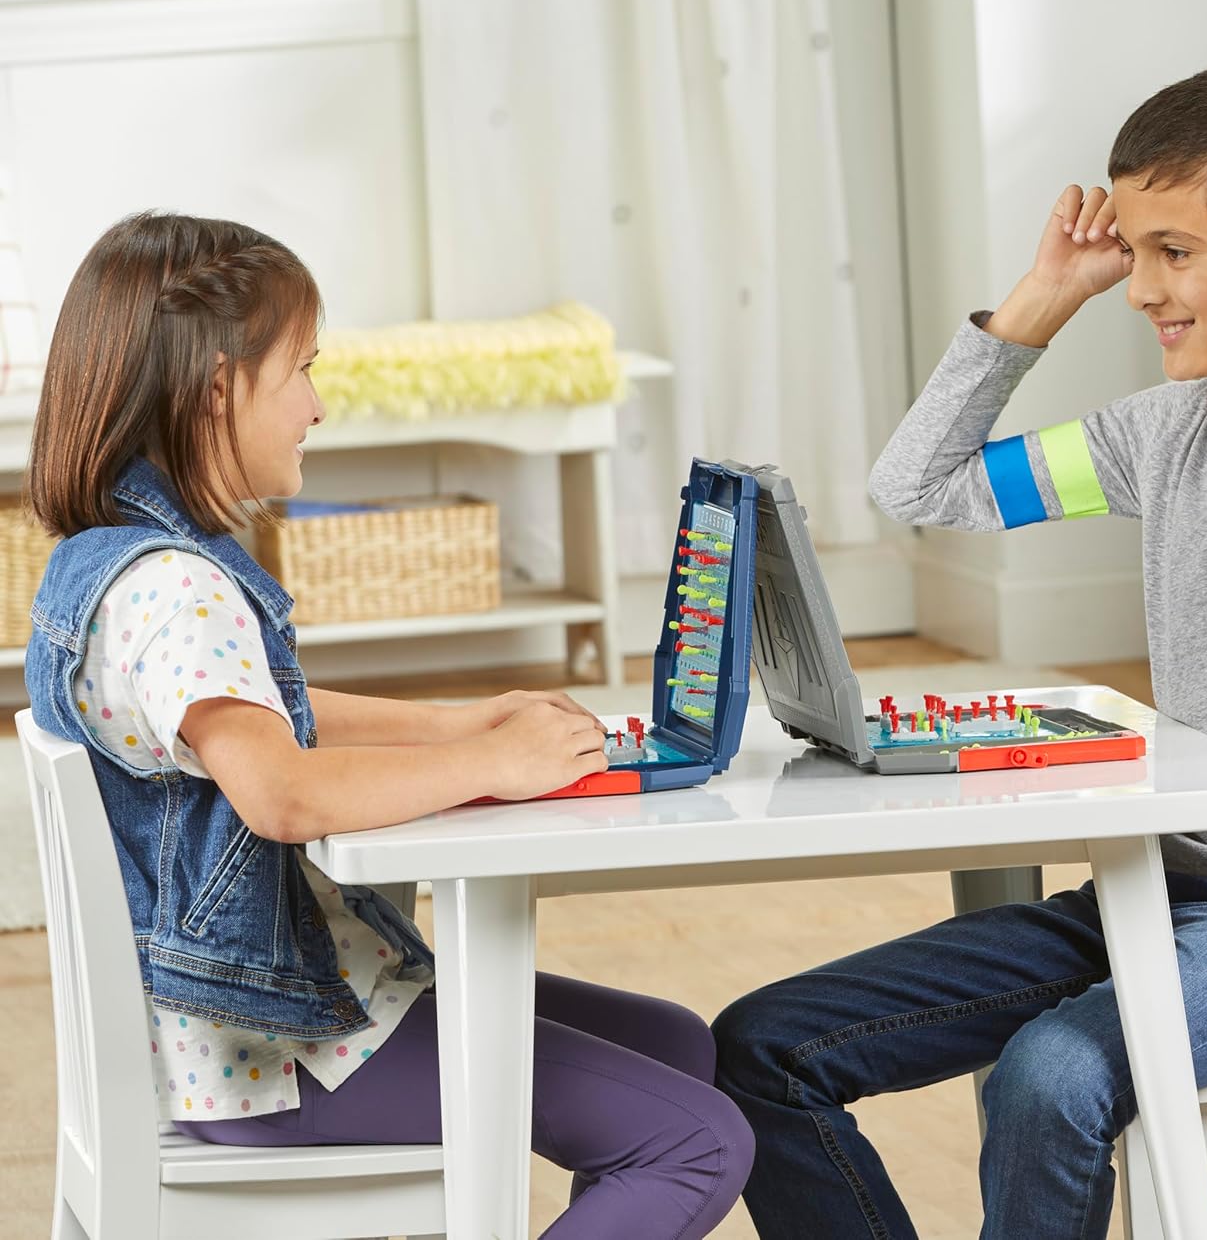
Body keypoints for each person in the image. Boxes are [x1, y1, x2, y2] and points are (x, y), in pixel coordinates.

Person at [712, 59, 1207, 1239]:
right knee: (764, 1046)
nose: (1140, 287)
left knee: (1051, 1077)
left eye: (1175, 252)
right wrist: (1042, 297)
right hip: (1153, 892)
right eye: (1135, 250)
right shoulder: (1162, 436)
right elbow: (920, 486)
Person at [25, 211, 751, 1240]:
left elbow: (271, 718)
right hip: (272, 1055)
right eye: (303, 371)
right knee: (699, 1142)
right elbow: (281, 791)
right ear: (220, 385)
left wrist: (464, 725)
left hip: (245, 1028)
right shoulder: (177, 591)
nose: (317, 406)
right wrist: (496, 762)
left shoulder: (110, 560)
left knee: (675, 1046)